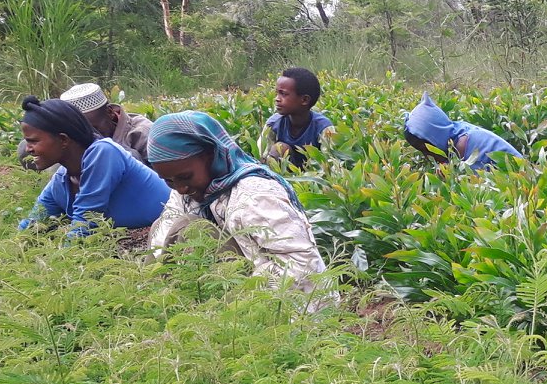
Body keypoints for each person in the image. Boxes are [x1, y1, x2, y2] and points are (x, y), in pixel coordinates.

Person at [146, 111, 333, 310]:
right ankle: (157, 304)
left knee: (191, 229)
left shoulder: (255, 195)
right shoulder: (187, 191)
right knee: (163, 226)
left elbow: (302, 268)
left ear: (211, 155)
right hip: (234, 286)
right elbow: (165, 232)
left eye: (185, 177)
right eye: (169, 181)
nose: (180, 188)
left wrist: (239, 306)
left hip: (282, 304)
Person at [17, 95, 170, 237]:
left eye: (33, 141)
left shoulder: (104, 152)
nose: (27, 149)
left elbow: (85, 224)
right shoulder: (62, 179)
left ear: (63, 140)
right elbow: (32, 223)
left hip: (173, 230)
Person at [15, 82, 152, 169]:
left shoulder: (143, 133)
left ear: (110, 112)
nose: (86, 134)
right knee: (25, 149)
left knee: (126, 155)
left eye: (93, 129)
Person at [402, 93, 522, 170]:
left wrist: (449, 174)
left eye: (427, 149)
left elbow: (473, 185)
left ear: (435, 138)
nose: (427, 155)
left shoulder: (463, 144)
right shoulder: (456, 130)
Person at [266, 67, 333, 168]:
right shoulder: (273, 123)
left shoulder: (323, 128)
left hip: (313, 178)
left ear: (304, 100)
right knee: (279, 148)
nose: (277, 99)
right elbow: (261, 158)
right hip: (280, 178)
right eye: (277, 93)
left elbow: (330, 165)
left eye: (283, 94)